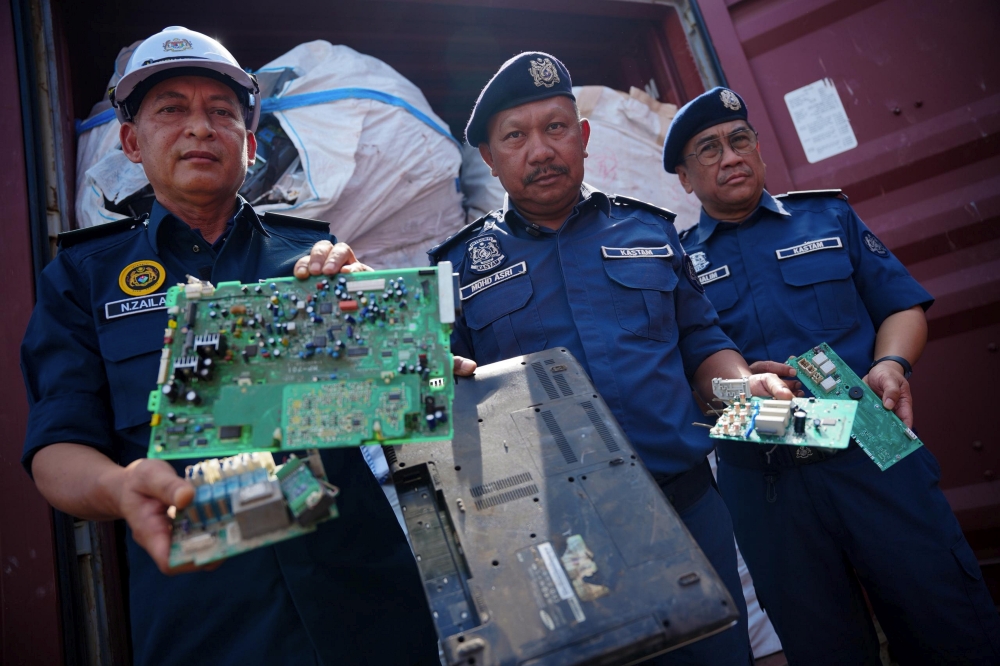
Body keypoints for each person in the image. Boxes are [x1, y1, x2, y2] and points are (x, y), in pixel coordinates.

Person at [20, 27, 438, 665]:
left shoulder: (317, 257)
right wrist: (121, 485)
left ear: (248, 139)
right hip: (207, 627)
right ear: (132, 142)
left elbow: (419, 412)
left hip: (372, 614)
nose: (198, 128)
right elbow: (56, 447)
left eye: (221, 111)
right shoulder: (84, 279)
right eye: (171, 110)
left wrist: (416, 355)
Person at [429, 52, 795, 665]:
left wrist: (742, 385)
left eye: (556, 128)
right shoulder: (455, 269)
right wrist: (443, 377)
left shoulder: (651, 233)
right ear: (490, 159)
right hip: (551, 532)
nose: (540, 150)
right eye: (515, 137)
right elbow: (437, 389)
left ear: (584, 135)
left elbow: (701, 342)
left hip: (685, 509)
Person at [668, 86, 1000, 665]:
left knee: (947, 621)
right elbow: (688, 376)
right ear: (684, 178)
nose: (731, 156)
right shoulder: (674, 264)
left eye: (739, 139)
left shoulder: (827, 216)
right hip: (764, 470)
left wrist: (891, 365)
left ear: (759, 148)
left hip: (869, 442)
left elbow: (900, 304)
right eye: (709, 149)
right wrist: (738, 388)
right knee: (824, 647)